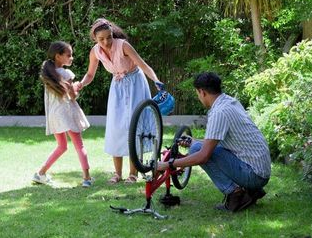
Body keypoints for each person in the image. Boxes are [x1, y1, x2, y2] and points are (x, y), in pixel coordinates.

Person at [157, 72, 271, 212]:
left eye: (198, 94)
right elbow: (219, 141)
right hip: (260, 170)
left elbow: (203, 156)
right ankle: (252, 190)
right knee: (197, 146)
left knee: (197, 150)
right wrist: (194, 141)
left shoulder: (219, 113)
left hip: (254, 175)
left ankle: (236, 194)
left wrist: (168, 164)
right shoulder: (230, 102)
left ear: (202, 92)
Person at [75, 18, 164, 184]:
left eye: (109, 37)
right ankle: (117, 173)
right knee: (116, 127)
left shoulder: (123, 45)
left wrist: (156, 80)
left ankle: (133, 173)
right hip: (117, 86)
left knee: (134, 126)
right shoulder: (95, 51)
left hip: (135, 83)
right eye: (101, 39)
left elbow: (143, 65)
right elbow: (90, 75)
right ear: (95, 38)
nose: (106, 41)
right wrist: (81, 83)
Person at [33, 41, 93, 188]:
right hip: (67, 112)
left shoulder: (49, 74)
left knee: (62, 146)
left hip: (54, 114)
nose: (71, 58)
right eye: (68, 55)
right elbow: (72, 97)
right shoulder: (66, 74)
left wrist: (72, 88)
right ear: (58, 56)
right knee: (79, 145)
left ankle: (40, 173)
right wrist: (77, 87)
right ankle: (87, 178)